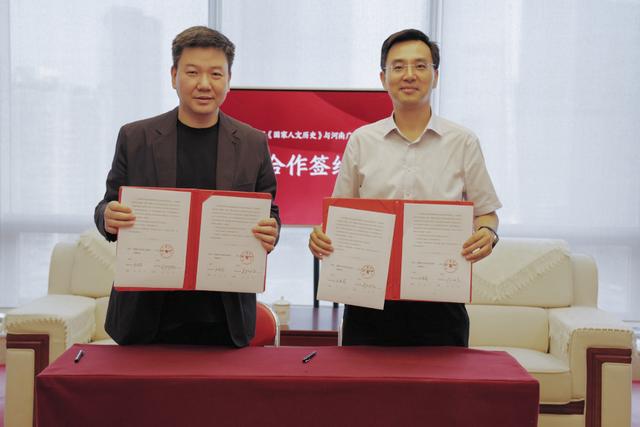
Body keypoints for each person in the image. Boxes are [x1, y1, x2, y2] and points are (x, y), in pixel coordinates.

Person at [309, 29, 501, 347]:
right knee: (364, 380)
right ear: (383, 78)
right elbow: (339, 217)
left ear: (435, 76)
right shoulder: (362, 140)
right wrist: (321, 235)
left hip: (440, 301)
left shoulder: (463, 142)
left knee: (441, 381)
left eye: (420, 66)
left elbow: (487, 214)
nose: (409, 75)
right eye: (398, 67)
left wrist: (488, 234)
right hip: (368, 300)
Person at [95, 26, 280, 347]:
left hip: (223, 315)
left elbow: (270, 212)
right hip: (148, 313)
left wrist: (272, 230)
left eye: (216, 74)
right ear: (173, 76)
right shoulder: (135, 138)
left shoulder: (253, 143)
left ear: (229, 79)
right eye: (192, 72)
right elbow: (107, 205)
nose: (204, 84)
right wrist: (108, 217)